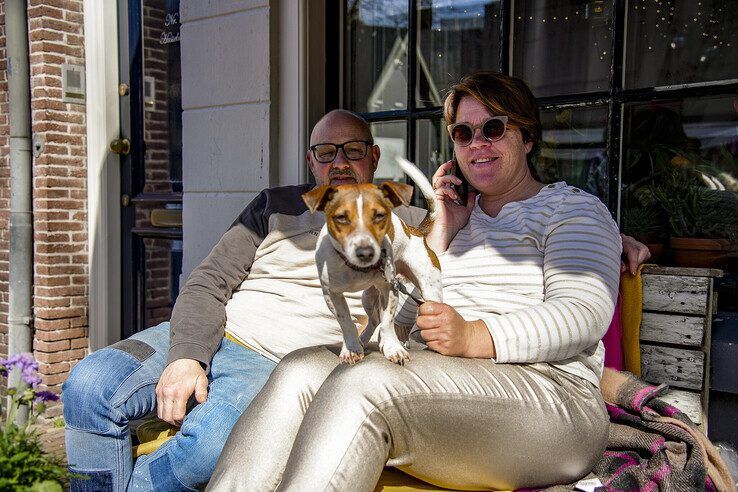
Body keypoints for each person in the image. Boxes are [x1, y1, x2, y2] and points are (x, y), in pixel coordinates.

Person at [63, 106, 647, 491]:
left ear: (374, 158)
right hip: (218, 335)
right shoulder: (277, 204)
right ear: (311, 165)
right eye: (325, 152)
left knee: (203, 450)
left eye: (352, 150)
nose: (339, 162)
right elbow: (208, 283)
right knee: (88, 386)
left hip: (283, 363)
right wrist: (188, 354)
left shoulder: (407, 215)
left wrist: (606, 232)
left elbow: (484, 243)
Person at [207, 71, 632, 491]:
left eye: (494, 128)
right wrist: (442, 234)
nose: (477, 144)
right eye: (464, 133)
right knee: (299, 369)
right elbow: (408, 317)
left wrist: (473, 336)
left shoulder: (572, 209)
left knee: (364, 384)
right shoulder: (459, 222)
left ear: (527, 137)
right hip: (451, 386)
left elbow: (583, 315)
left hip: (554, 403)